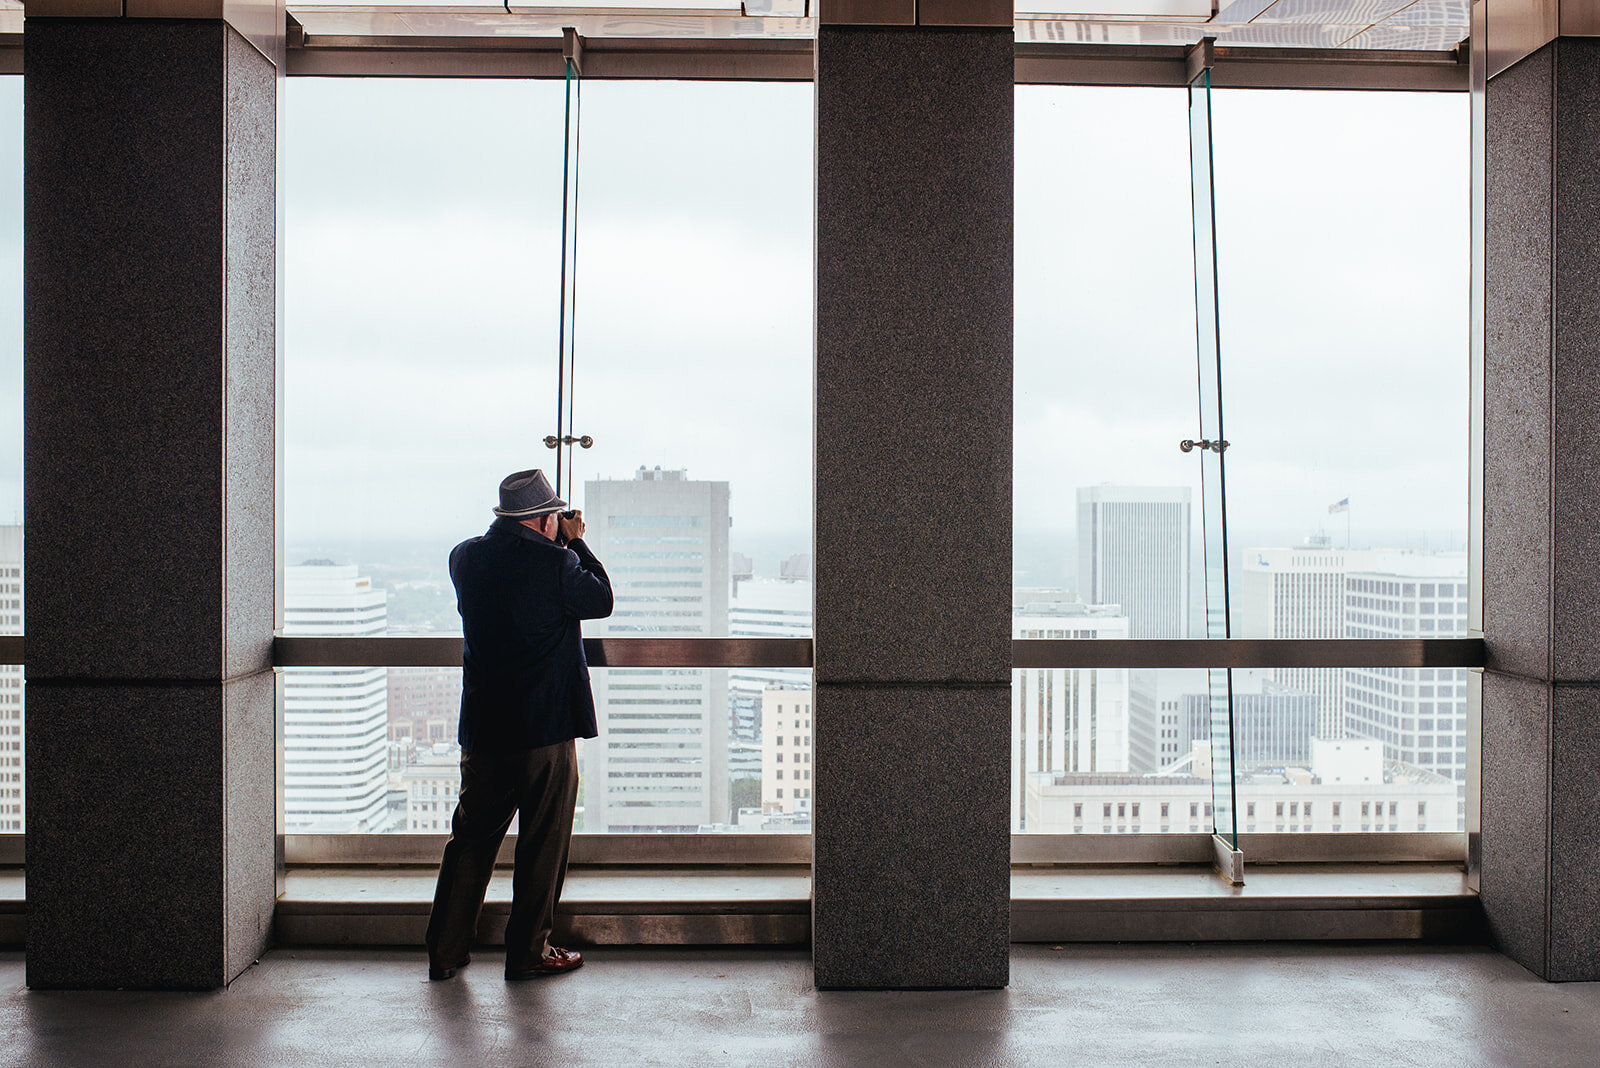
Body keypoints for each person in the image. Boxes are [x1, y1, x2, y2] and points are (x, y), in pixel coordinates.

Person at [425, 468, 613, 981]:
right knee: (543, 842)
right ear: (542, 521)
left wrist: (560, 541)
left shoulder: (464, 559)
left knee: (471, 841)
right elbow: (601, 600)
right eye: (555, 517)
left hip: (485, 729)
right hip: (545, 731)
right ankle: (529, 951)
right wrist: (577, 544)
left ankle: (445, 950)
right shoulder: (556, 564)